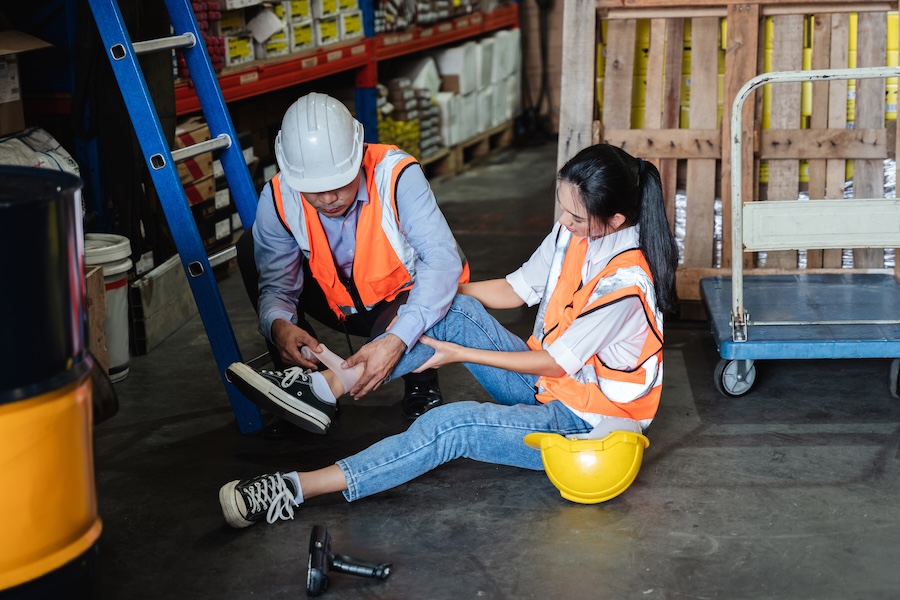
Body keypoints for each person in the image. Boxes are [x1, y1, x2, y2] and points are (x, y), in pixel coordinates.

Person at [219, 143, 679, 527]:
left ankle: (293, 488)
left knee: (449, 426)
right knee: (449, 306)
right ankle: (322, 389)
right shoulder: (577, 234)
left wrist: (459, 353)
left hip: (587, 421)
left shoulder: (627, 286)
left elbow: (555, 362)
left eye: (575, 217)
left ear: (616, 220)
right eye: (561, 207)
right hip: (551, 386)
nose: (563, 221)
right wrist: (432, 292)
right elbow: (515, 289)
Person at [229, 92, 470, 434]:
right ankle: (304, 390)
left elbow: (442, 262)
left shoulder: (396, 174)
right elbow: (277, 284)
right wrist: (278, 323)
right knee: (249, 248)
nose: (327, 199)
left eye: (338, 184)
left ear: (358, 157)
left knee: (420, 314)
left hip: (399, 299)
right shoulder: (280, 195)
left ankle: (422, 382)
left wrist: (397, 338)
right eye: (313, 190)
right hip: (336, 302)